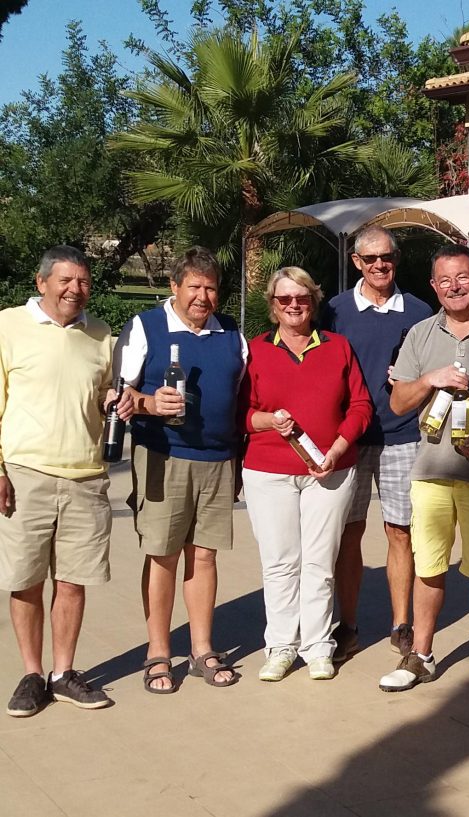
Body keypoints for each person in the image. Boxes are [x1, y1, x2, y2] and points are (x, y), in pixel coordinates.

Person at [377, 244, 469, 699]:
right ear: (433, 286)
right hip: (431, 471)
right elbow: (398, 402)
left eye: (462, 277)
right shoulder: (420, 333)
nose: (454, 287)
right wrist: (429, 380)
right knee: (429, 568)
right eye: (445, 280)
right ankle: (420, 655)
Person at [1, 246, 128, 717]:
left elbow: (102, 401)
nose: (75, 289)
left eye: (83, 281)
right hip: (24, 474)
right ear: (42, 282)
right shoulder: (7, 326)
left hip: (85, 476)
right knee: (26, 581)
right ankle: (32, 675)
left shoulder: (99, 335)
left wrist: (118, 402)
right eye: (65, 280)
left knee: (73, 581)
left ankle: (63, 673)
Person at [115, 247, 247, 693]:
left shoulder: (232, 333)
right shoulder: (146, 327)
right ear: (175, 287)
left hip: (217, 459)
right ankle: (157, 653)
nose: (203, 296)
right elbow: (118, 396)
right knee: (163, 555)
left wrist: (239, 460)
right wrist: (150, 403)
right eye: (194, 286)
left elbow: (243, 397)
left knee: (205, 556)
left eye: (210, 287)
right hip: (162, 456)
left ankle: (201, 648)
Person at [239, 267, 373, 682]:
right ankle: (280, 646)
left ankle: (318, 646)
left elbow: (361, 406)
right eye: (284, 299)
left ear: (313, 302)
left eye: (301, 297)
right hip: (268, 470)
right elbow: (241, 414)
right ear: (273, 306)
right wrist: (265, 420)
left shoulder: (338, 346)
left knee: (320, 562)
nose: (293, 305)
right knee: (280, 562)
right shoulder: (255, 350)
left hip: (329, 471)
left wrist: (336, 449)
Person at [322, 226, 432, 662]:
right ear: (356, 263)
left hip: (402, 435)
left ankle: (400, 623)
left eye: (387, 257)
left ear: (396, 258)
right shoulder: (333, 309)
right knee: (348, 534)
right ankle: (346, 624)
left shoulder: (420, 311)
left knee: (399, 532)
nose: (380, 265)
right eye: (371, 259)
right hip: (348, 438)